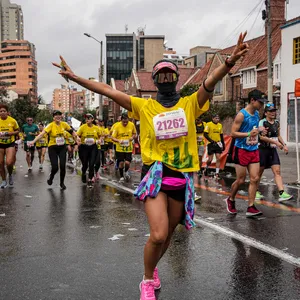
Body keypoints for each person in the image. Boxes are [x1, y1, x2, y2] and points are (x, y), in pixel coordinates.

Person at [52, 32, 249, 299]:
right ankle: (146, 280)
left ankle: (152, 267)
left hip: (181, 175)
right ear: (155, 80)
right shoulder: (143, 106)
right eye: (162, 76)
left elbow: (208, 83)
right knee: (157, 234)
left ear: (176, 79)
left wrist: (227, 65)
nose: (166, 79)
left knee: (168, 234)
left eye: (170, 75)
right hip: (155, 173)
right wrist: (75, 78)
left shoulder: (190, 104)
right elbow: (109, 90)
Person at [225, 89, 268, 217]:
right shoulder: (241, 115)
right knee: (241, 180)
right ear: (252, 100)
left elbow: (254, 130)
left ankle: (251, 206)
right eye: (260, 102)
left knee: (255, 178)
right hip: (241, 150)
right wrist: (249, 134)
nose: (262, 105)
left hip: (253, 149)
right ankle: (230, 199)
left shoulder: (256, 114)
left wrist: (260, 131)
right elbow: (233, 133)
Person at [28, 110, 78, 190]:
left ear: (61, 116)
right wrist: (33, 141)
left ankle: (62, 183)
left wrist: (77, 137)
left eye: (59, 115)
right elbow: (42, 134)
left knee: (62, 166)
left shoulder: (64, 124)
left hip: (62, 147)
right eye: (56, 115)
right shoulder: (50, 125)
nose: (58, 117)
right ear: (53, 117)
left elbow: (72, 132)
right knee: (55, 167)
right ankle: (51, 177)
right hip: (53, 148)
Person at [255, 103, 293, 202]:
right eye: (271, 111)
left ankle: (282, 193)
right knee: (259, 172)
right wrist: (275, 142)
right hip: (262, 150)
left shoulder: (276, 122)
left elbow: (278, 135)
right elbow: (261, 137)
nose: (273, 113)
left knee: (277, 171)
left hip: (272, 150)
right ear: (266, 113)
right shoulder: (262, 122)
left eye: (274, 111)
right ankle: (255, 191)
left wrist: (284, 144)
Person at [77, 113, 102, 188]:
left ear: (92, 119)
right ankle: (83, 173)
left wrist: (98, 141)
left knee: (91, 164)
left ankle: (90, 180)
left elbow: (100, 137)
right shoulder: (82, 127)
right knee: (85, 164)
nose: (87, 119)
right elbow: (77, 135)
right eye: (86, 118)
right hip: (84, 147)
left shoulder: (96, 128)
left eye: (88, 118)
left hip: (93, 147)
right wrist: (78, 139)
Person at [111, 113, 137, 182]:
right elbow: (112, 137)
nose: (125, 123)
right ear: (121, 120)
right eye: (123, 122)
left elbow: (134, 134)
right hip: (120, 148)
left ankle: (126, 171)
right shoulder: (117, 126)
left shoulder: (131, 125)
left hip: (128, 147)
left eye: (126, 121)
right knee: (121, 163)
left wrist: (132, 137)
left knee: (128, 163)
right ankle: (121, 176)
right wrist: (118, 140)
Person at [0, 104, 19, 188]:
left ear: (7, 112)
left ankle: (10, 174)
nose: (2, 112)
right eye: (0, 111)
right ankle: (4, 181)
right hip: (0, 144)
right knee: (0, 163)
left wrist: (10, 133)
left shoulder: (12, 121)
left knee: (9, 162)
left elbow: (17, 131)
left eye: (4, 111)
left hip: (10, 143)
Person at [204, 114, 224, 178]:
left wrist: (223, 144)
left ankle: (217, 173)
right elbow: (205, 134)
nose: (217, 119)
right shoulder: (208, 124)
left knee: (218, 158)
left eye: (218, 118)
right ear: (212, 118)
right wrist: (211, 140)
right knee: (210, 159)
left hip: (218, 143)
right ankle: (206, 168)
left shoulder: (220, 125)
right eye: (216, 118)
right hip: (211, 144)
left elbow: (221, 135)